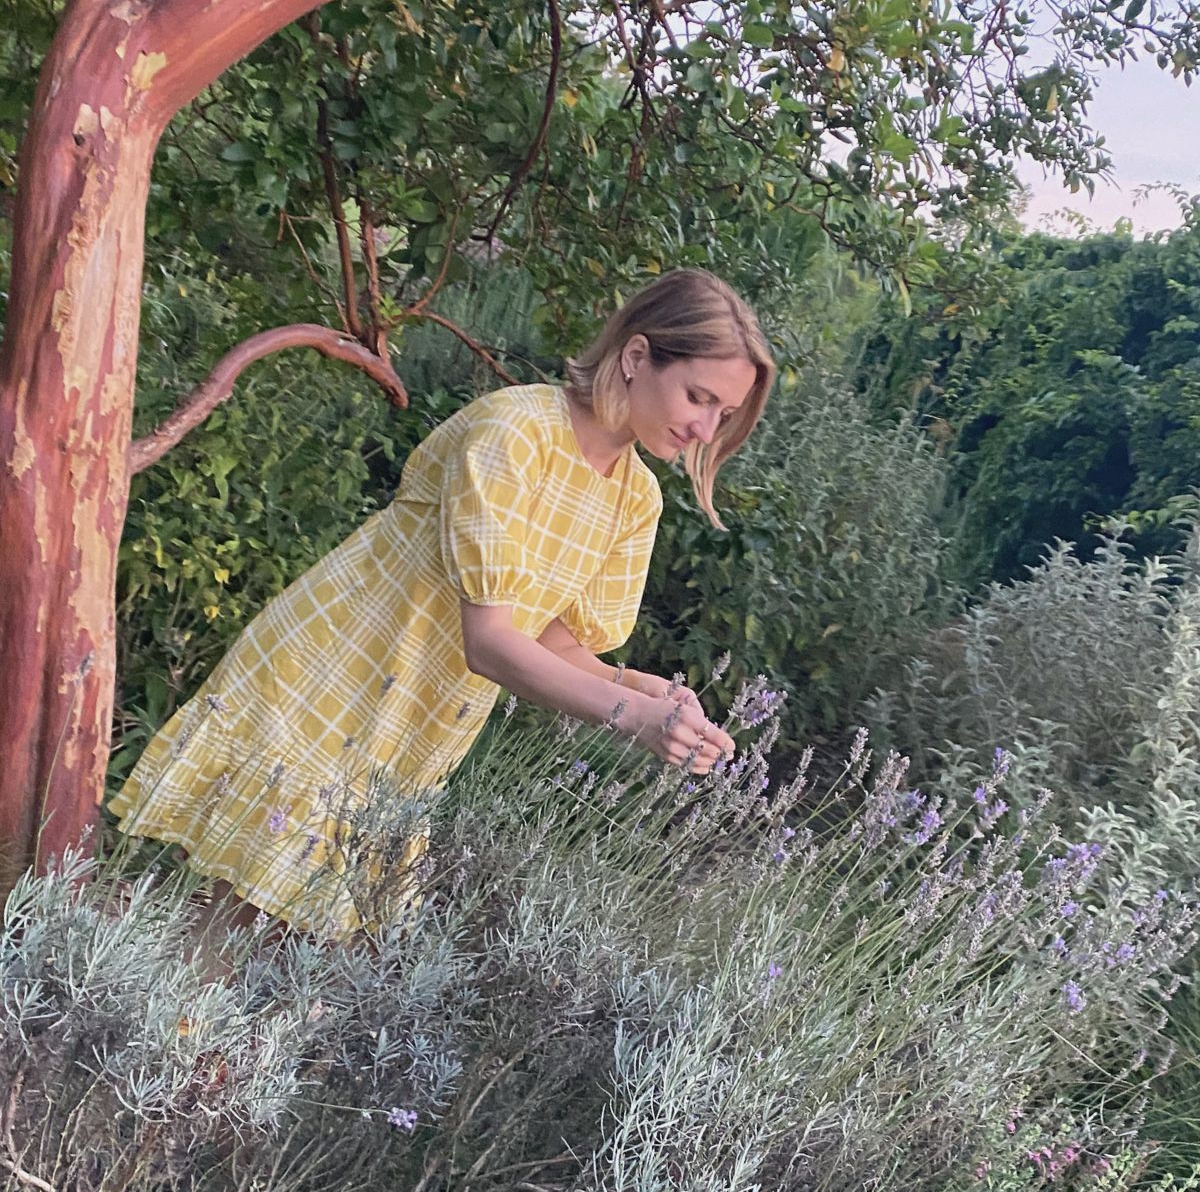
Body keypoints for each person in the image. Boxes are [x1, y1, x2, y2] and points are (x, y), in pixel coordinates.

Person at [109, 269, 775, 948]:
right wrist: (631, 716)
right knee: (225, 932)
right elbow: (488, 642)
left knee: (289, 960)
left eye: (723, 415)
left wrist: (649, 692)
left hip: (411, 730)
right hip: (328, 678)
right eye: (699, 396)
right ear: (637, 358)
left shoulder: (636, 499)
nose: (704, 428)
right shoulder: (515, 431)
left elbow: (548, 639)